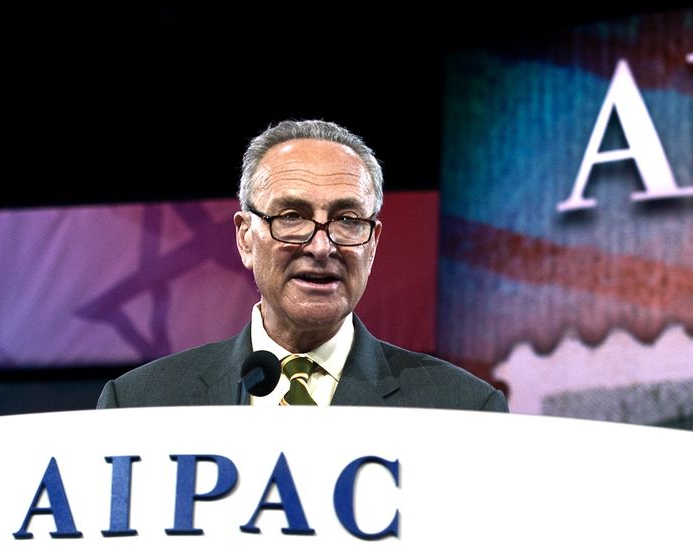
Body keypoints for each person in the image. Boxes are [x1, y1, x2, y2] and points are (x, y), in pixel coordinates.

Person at [98, 120, 505, 411]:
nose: (321, 246)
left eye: (348, 220)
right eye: (292, 216)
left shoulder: (463, 409)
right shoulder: (140, 404)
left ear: (373, 242)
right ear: (245, 238)